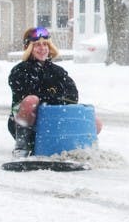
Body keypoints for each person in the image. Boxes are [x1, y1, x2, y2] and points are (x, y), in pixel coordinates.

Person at [8, 26, 101, 157]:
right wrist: (54, 97)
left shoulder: (58, 71)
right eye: (37, 45)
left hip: (54, 120)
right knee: (31, 100)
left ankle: (81, 148)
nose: (42, 48)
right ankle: (22, 146)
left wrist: (56, 98)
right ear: (29, 48)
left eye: (45, 44)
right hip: (30, 123)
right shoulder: (19, 71)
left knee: (95, 121)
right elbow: (27, 94)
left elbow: (72, 95)